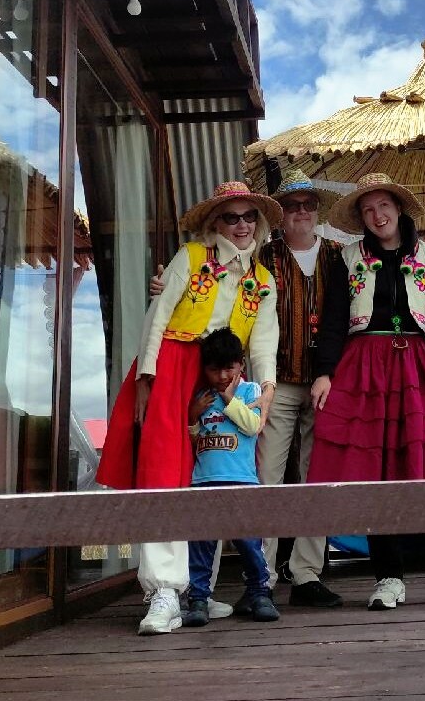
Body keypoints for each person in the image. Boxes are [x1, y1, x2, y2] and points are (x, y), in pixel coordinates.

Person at [150, 170, 346, 609]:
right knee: (260, 479)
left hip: (324, 380)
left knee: (317, 477)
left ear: (318, 210)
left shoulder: (340, 256)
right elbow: (214, 290)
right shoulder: (263, 257)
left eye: (308, 204)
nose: (300, 212)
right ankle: (264, 578)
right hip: (267, 382)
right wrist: (165, 287)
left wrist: (331, 371)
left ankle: (308, 574)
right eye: (292, 205)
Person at [96, 181, 281, 635]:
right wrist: (147, 377)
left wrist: (266, 386)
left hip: (222, 376)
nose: (241, 225)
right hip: (175, 368)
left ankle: (197, 590)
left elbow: (264, 336)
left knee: (215, 477)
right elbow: (159, 313)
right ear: (214, 222)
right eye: (231, 217)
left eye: (248, 217)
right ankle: (162, 592)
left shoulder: (261, 278)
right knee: (164, 476)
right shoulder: (191, 257)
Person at [307, 172, 425, 612]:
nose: (377, 215)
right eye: (368, 209)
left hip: (417, 366)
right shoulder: (347, 258)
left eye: (383, 206)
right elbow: (334, 319)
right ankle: (388, 577)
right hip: (363, 368)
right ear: (361, 217)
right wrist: (325, 373)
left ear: (398, 208)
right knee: (377, 472)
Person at [183, 328, 279, 626]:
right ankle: (198, 599)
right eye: (215, 370)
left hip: (242, 481)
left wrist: (228, 399)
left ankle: (259, 593)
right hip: (204, 481)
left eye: (229, 368)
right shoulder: (202, 398)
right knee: (201, 544)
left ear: (241, 365)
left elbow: (253, 426)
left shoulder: (250, 392)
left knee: (249, 541)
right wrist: (192, 417)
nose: (223, 375)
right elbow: (194, 441)